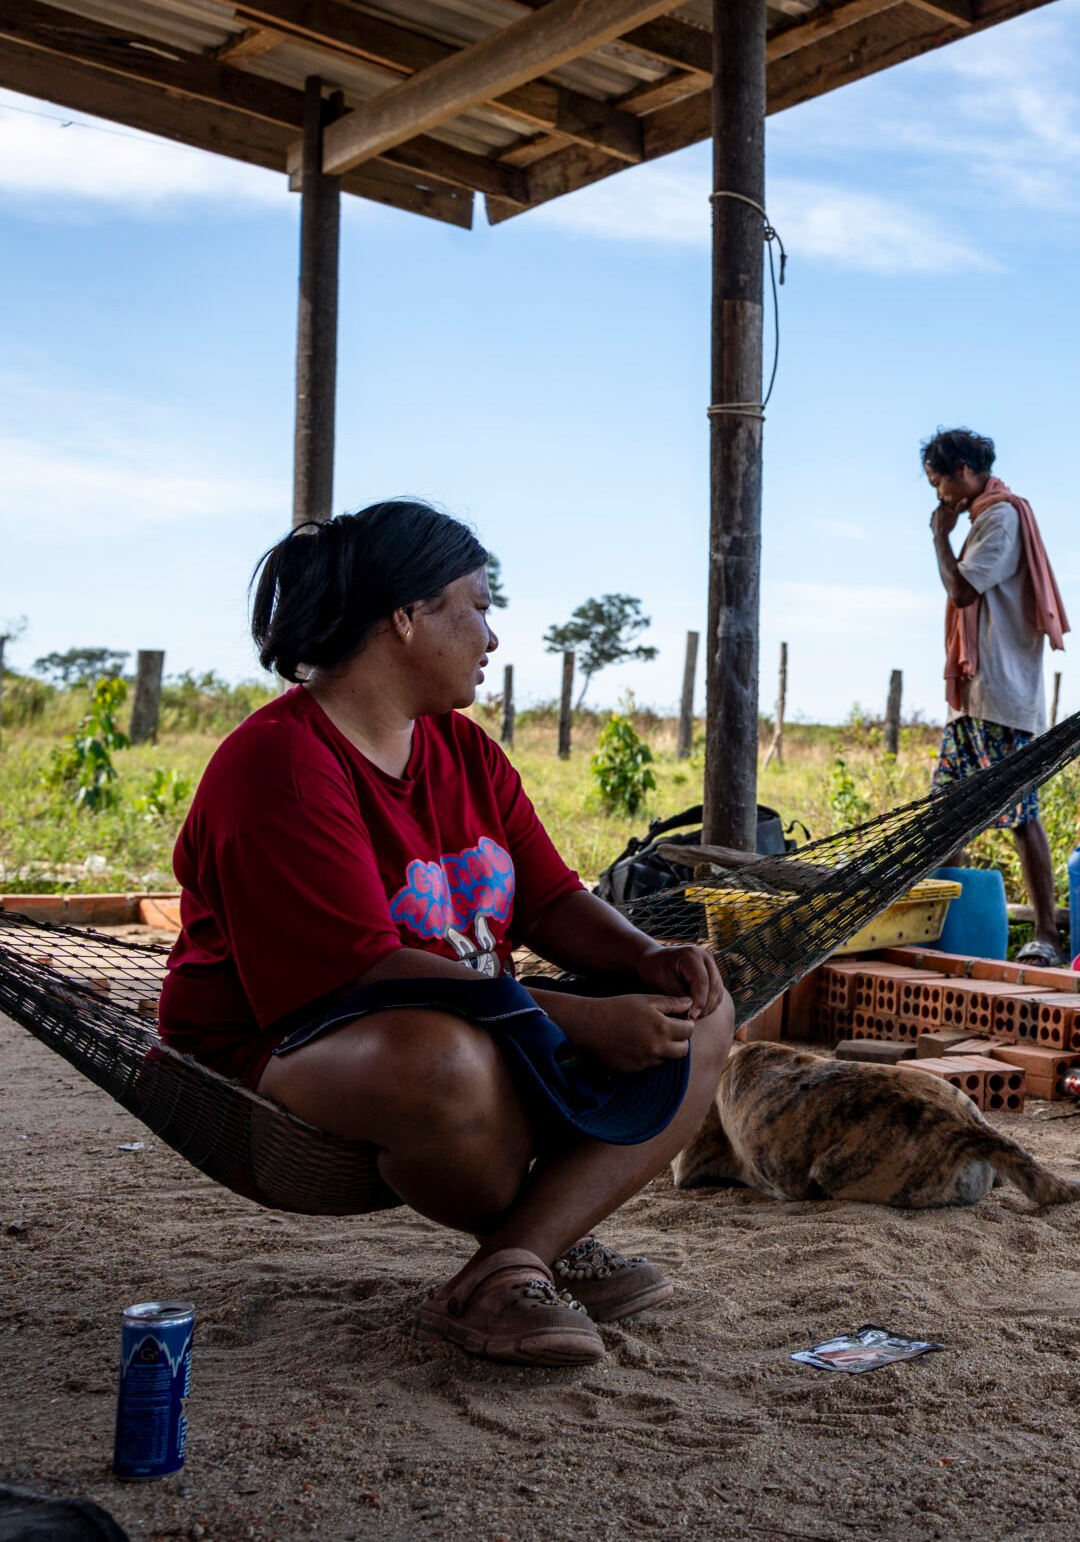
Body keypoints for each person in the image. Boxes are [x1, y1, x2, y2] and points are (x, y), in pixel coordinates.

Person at [159, 499, 734, 1367]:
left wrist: (648, 959)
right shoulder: (280, 765)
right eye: (478, 604)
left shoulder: (464, 753)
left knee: (704, 1012)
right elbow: (364, 975)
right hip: (283, 1041)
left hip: (475, 1016)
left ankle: (516, 1259)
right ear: (406, 617)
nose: (493, 637)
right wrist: (579, 1021)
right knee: (445, 1063)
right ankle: (536, 1246)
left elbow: (547, 900)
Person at [922, 427, 1070, 964]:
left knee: (1021, 815)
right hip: (972, 700)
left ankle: (1047, 936)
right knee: (947, 813)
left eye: (939, 484)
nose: (939, 498)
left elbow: (962, 589)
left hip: (1002, 698)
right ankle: (940, 925)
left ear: (963, 471)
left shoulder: (1001, 519)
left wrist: (939, 536)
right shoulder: (985, 519)